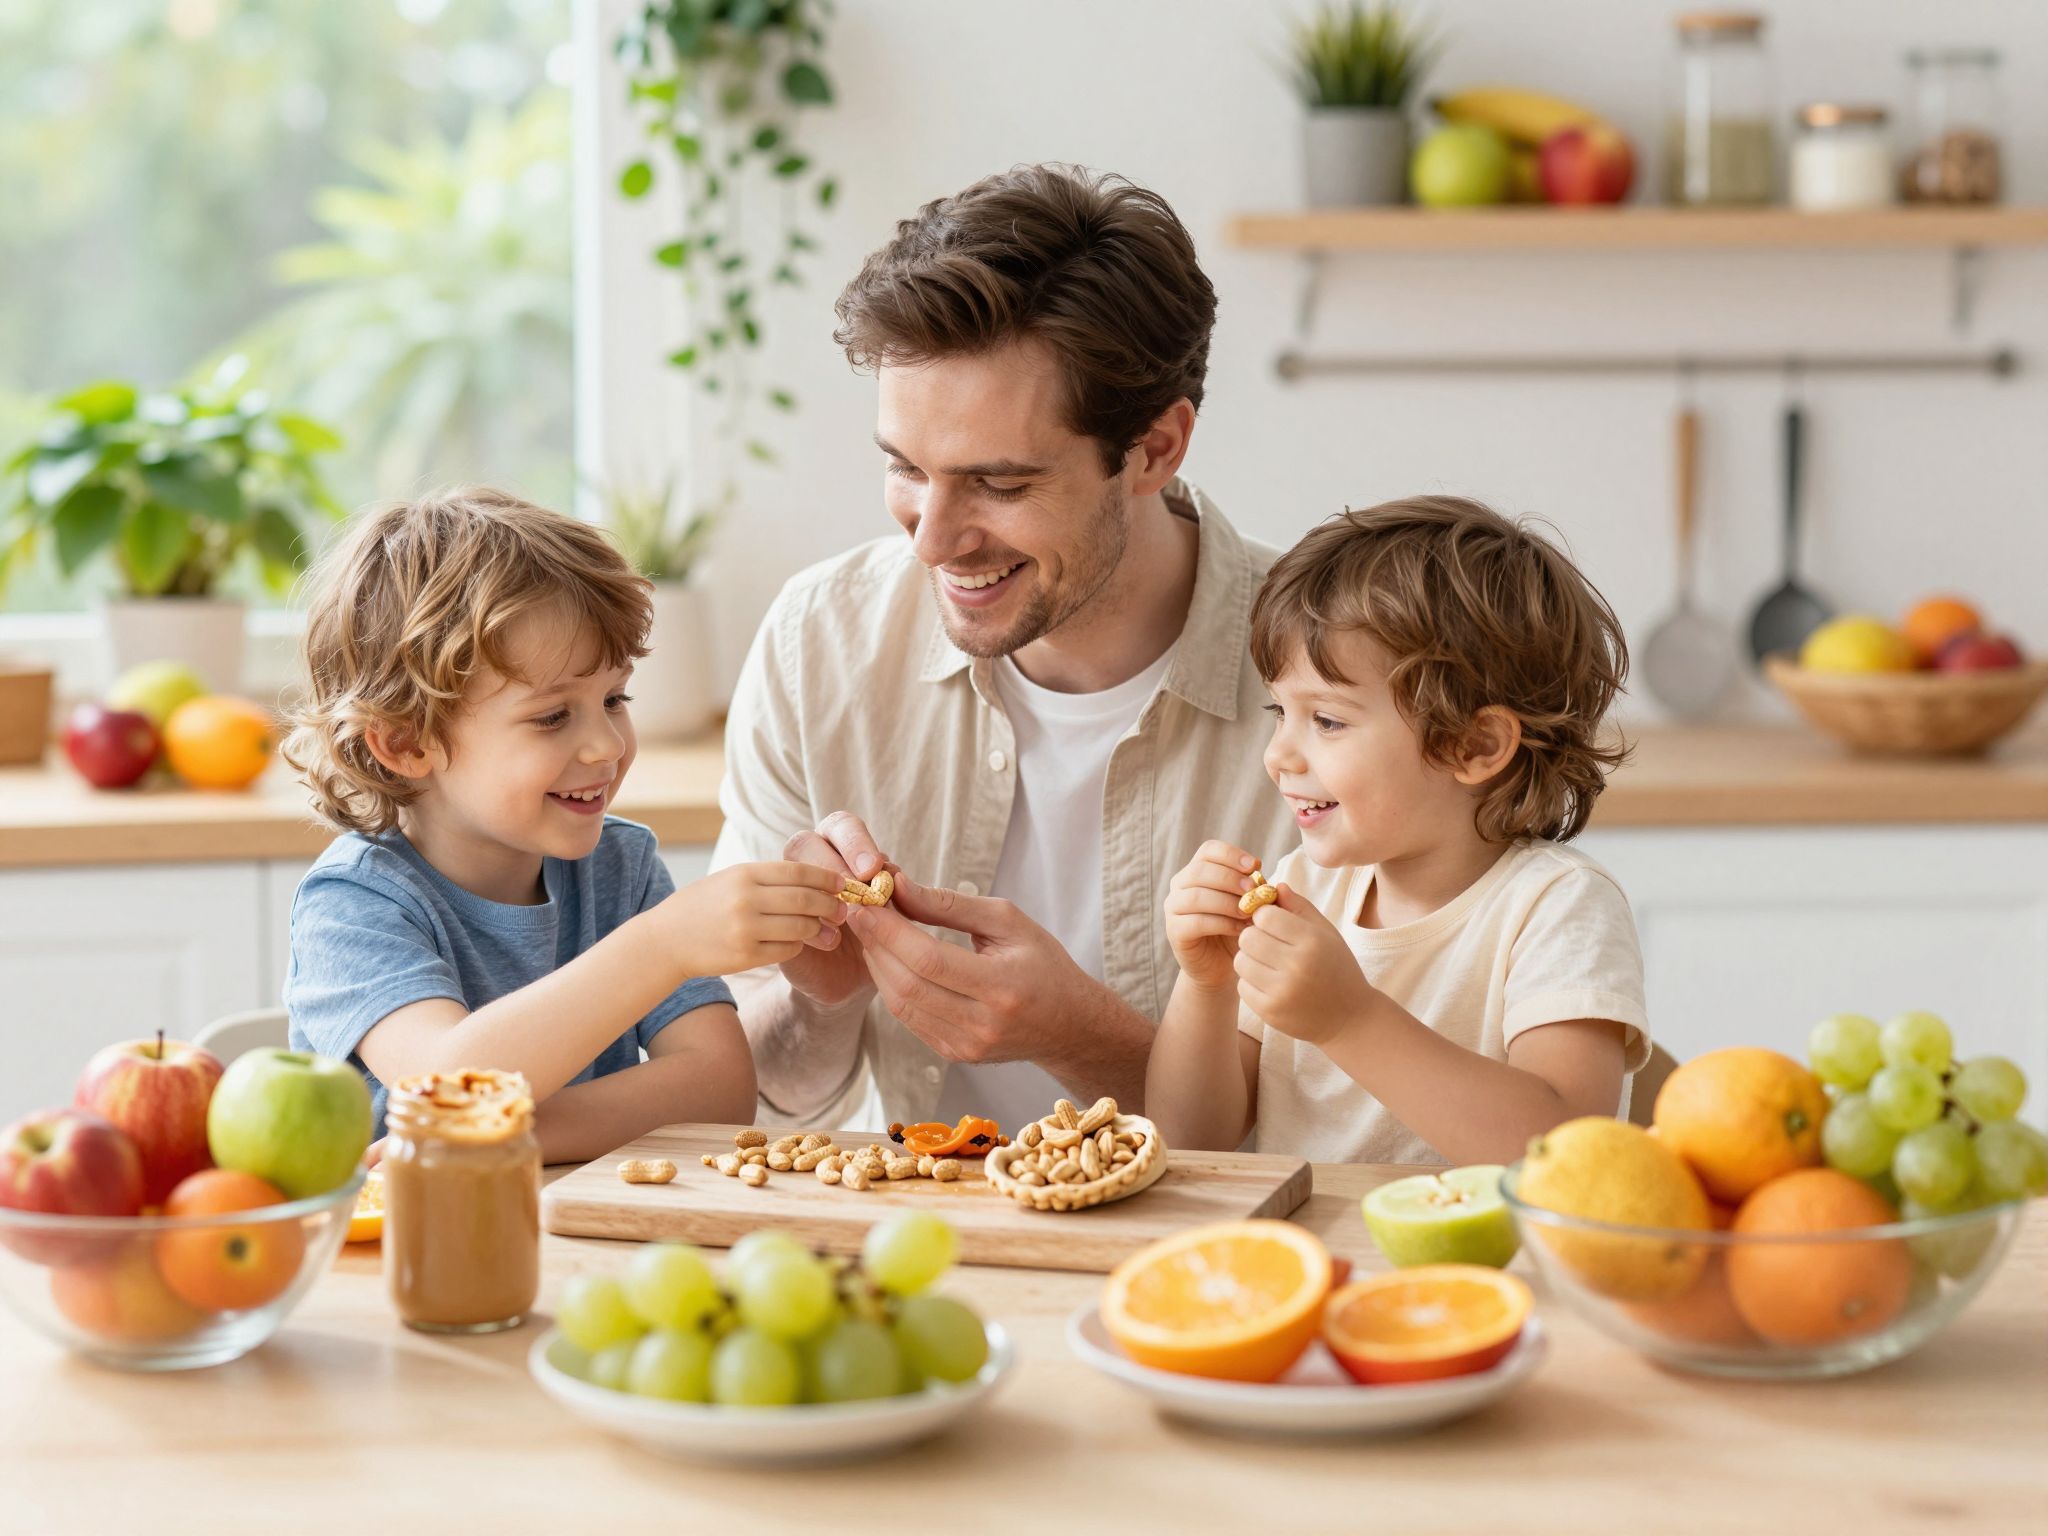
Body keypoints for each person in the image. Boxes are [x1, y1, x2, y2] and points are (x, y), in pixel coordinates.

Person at [714, 164, 1299, 1130]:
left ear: (1155, 448)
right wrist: (824, 995)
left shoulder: (1343, 685)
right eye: (905, 468)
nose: (932, 541)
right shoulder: (820, 643)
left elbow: (1364, 1136)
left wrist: (1080, 1036)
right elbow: (766, 1096)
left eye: (1000, 483)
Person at [281, 488, 843, 1159]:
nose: (606, 745)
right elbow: (448, 1088)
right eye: (552, 717)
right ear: (405, 744)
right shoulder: (354, 905)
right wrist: (661, 948)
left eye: (614, 697)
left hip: (578, 1231)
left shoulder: (620, 867)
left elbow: (721, 1090)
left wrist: (502, 1135)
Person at [1148, 496, 1652, 1166]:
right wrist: (1205, 985)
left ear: (1474, 745)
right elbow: (1190, 1140)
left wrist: (1349, 1018)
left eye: (1326, 720)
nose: (1279, 755)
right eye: (1280, 711)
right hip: (1311, 1266)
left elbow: (1561, 1155)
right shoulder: (1304, 887)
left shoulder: (1556, 909)